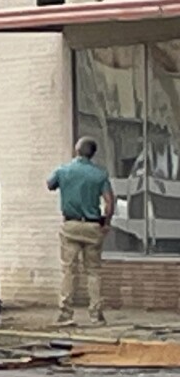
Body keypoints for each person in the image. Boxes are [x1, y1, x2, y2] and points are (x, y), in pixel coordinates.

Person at [46, 136, 115, 325]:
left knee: (68, 270)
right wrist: (106, 222)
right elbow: (109, 202)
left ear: (77, 150)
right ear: (93, 154)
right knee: (93, 272)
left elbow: (50, 184)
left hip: (71, 225)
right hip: (93, 225)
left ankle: (65, 314)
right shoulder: (99, 174)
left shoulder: (63, 170)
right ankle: (96, 314)